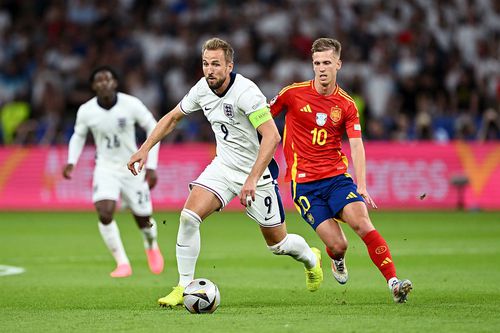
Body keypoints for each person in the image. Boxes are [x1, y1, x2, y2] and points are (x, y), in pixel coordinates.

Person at [127, 37, 323, 307]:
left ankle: (312, 259)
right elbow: (172, 117)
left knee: (278, 244)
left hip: (257, 174)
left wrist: (252, 179)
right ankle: (183, 287)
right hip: (223, 167)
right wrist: (145, 147)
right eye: (206, 64)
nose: (210, 70)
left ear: (229, 66)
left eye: (216, 64)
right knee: (188, 218)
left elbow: (271, 136)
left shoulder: (246, 93)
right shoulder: (201, 89)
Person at [269, 38, 413, 303]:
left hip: (337, 179)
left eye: (326, 62)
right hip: (304, 186)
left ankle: (394, 283)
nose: (321, 68)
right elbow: (264, 119)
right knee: (338, 245)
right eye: (316, 63)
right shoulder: (292, 93)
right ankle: (336, 259)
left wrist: (361, 185)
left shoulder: (346, 104)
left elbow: (356, 145)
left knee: (362, 222)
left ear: (338, 64)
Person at [62, 66, 164, 278]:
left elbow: (153, 127)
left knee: (144, 220)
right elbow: (78, 136)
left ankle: (151, 245)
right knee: (105, 212)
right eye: (99, 80)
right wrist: (71, 161)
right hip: (105, 168)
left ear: (115, 83)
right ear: (93, 86)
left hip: (132, 167)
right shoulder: (86, 110)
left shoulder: (131, 104)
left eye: (108, 79)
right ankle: (122, 263)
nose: (104, 83)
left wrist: (151, 165)